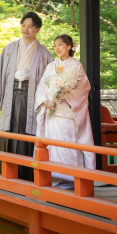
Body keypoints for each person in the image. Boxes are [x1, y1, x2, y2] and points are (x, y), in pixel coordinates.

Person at [0, 12, 54, 181]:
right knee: (9, 128)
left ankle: (26, 174)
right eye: (23, 25)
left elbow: (51, 78)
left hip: (32, 97)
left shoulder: (44, 52)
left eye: (30, 26)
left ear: (37, 29)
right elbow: (0, 71)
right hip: (10, 93)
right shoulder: (10, 48)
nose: (26, 29)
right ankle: (7, 172)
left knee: (27, 130)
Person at [34, 34, 95, 188]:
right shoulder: (50, 66)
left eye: (60, 45)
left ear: (69, 46)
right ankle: (57, 176)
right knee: (54, 144)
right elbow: (41, 87)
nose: (57, 48)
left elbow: (84, 88)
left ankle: (73, 177)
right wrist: (45, 101)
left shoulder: (76, 65)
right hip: (53, 113)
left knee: (68, 144)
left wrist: (64, 96)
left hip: (68, 112)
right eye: (55, 45)